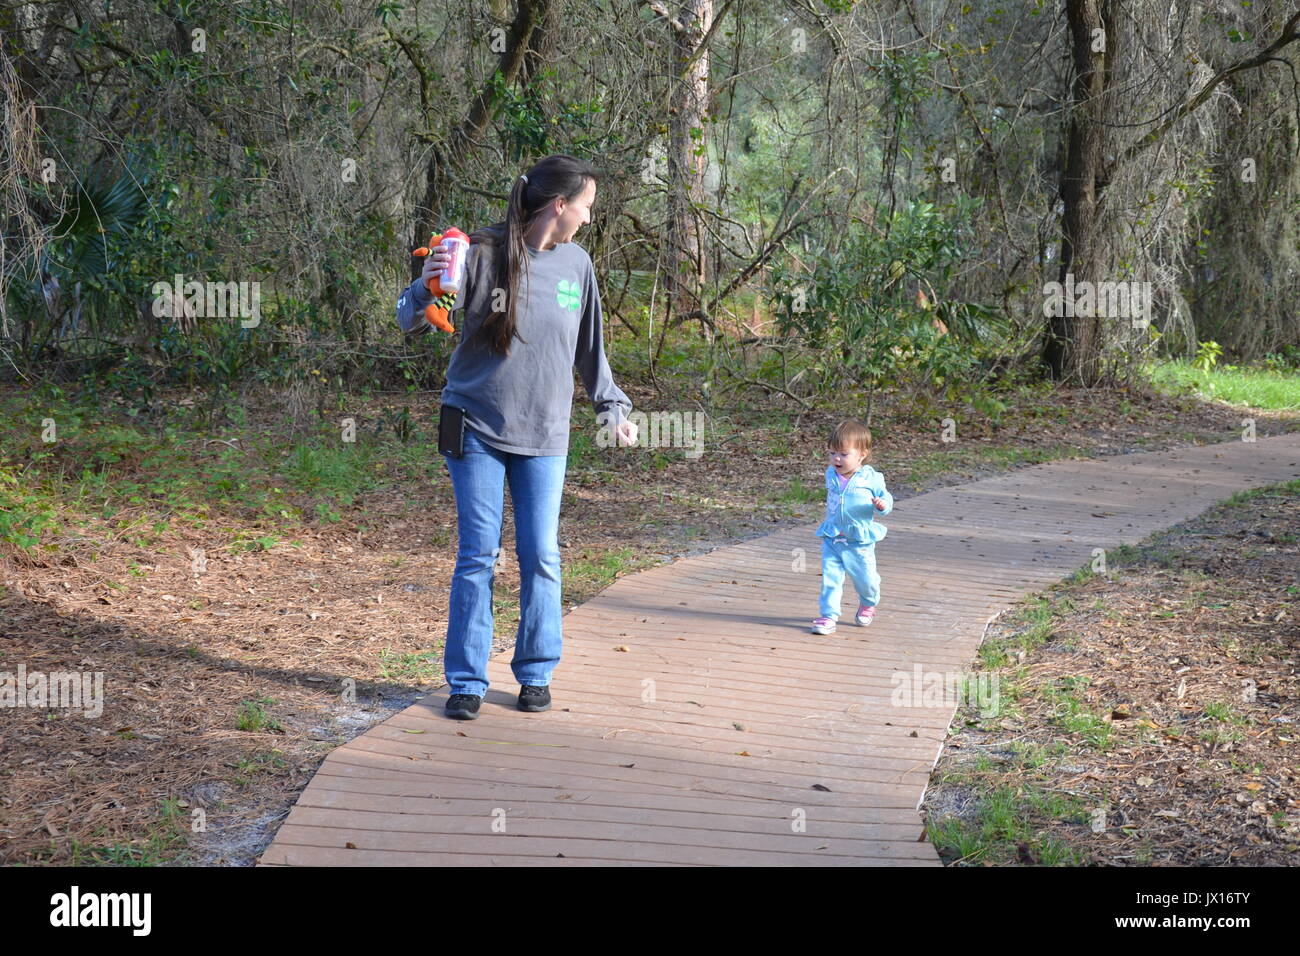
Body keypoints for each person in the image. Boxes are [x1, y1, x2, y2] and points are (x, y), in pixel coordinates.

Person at [396, 154, 638, 719]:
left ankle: (534, 671)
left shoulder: (577, 266)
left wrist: (612, 407)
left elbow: (590, 348)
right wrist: (429, 283)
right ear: (560, 205)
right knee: (478, 554)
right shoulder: (478, 254)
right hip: (476, 424)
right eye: (587, 206)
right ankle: (466, 682)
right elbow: (411, 318)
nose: (588, 217)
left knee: (541, 554)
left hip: (545, 433)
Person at [810, 419, 893, 634]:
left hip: (859, 541)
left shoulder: (871, 478)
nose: (836, 459)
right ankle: (828, 616)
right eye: (832, 453)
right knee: (831, 578)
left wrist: (882, 506)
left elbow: (887, 500)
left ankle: (868, 603)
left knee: (866, 580)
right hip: (833, 537)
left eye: (843, 454)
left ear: (862, 455)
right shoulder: (831, 474)